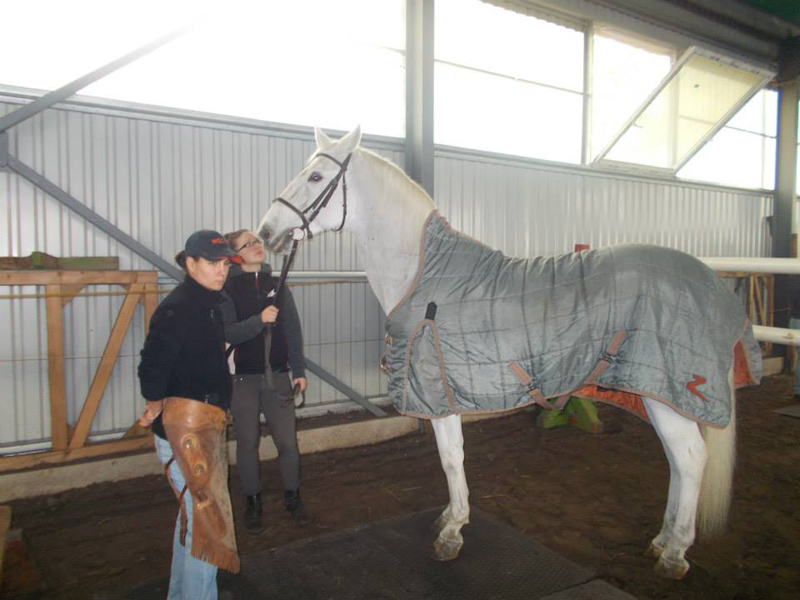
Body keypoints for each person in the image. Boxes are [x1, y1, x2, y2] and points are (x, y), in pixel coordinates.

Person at [137, 230, 240, 600]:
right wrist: (154, 405)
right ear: (190, 263)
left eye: (225, 262)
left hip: (203, 425)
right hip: (186, 431)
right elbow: (151, 367)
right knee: (207, 528)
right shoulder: (178, 308)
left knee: (194, 521)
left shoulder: (209, 304)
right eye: (213, 262)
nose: (221, 269)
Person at [221, 229, 309, 533]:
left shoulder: (278, 286)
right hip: (242, 379)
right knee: (247, 443)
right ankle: (253, 502)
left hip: (278, 377)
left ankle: (293, 497)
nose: (256, 246)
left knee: (288, 443)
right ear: (235, 255)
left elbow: (293, 330)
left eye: (257, 241)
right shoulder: (227, 289)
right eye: (247, 244)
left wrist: (298, 371)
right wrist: (259, 320)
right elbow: (229, 333)